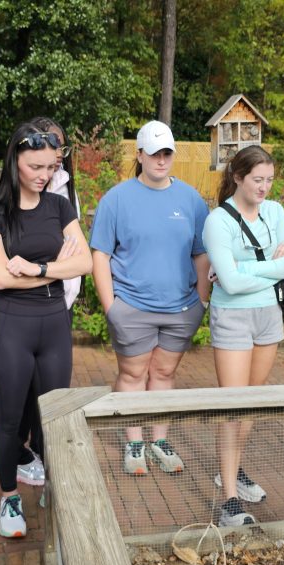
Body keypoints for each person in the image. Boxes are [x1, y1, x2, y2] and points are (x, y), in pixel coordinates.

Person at [0, 121, 92, 538]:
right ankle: (9, 497)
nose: (44, 175)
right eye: (35, 166)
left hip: (54, 322)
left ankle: (52, 489)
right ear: (15, 160)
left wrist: (38, 268)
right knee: (9, 421)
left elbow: (85, 264)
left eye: (51, 167)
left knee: (53, 416)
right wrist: (56, 269)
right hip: (12, 324)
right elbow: (1, 280)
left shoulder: (59, 207)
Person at [90, 120, 210, 476]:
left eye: (167, 153)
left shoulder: (190, 199)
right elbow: (100, 255)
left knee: (164, 372)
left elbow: (201, 253)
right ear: (139, 155)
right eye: (154, 153)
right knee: (132, 373)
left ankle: (159, 440)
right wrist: (111, 306)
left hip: (180, 307)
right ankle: (134, 442)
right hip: (132, 306)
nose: (161, 160)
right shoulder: (116, 199)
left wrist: (201, 300)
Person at [202, 145, 284, 526]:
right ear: (238, 177)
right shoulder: (219, 220)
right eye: (257, 179)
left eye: (270, 180)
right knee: (233, 407)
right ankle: (228, 497)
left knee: (252, 406)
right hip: (233, 316)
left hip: (268, 314)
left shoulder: (274, 211)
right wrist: (271, 266)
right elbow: (227, 281)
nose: (264, 187)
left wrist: (250, 266)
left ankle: (233, 470)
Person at [11, 116, 80, 488]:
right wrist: (52, 267)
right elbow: (10, 266)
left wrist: (46, 269)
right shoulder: (13, 194)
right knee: (21, 389)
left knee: (53, 388)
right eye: (48, 145)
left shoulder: (67, 190)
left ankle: (45, 448)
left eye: (60, 148)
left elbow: (78, 254)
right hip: (24, 308)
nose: (54, 155)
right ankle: (20, 451)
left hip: (60, 305)